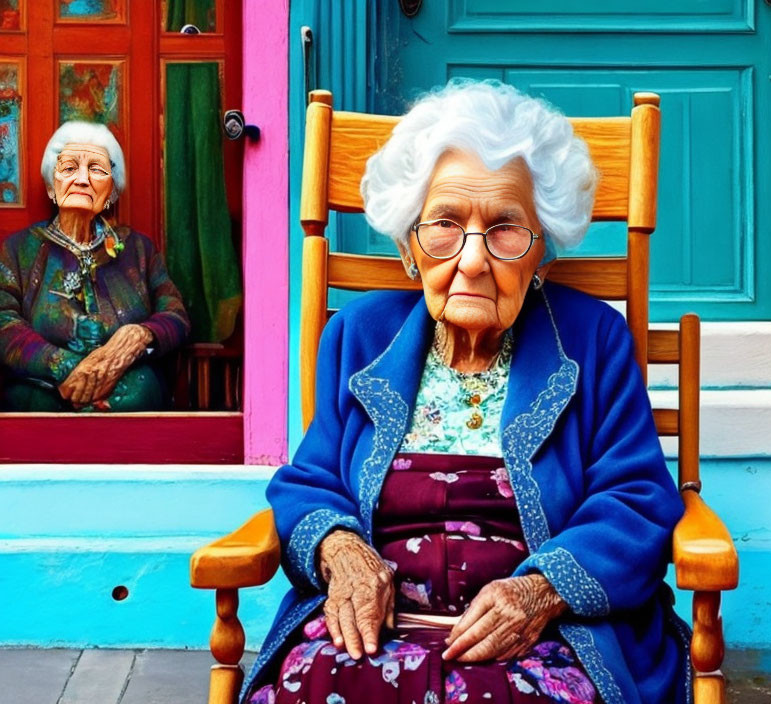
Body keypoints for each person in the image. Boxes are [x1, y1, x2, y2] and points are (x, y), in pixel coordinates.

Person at [246, 81, 690, 704]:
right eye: (446, 226)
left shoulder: (593, 341)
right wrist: (342, 550)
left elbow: (637, 499)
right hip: (374, 638)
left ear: (540, 254)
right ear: (409, 248)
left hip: (544, 640)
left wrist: (539, 591)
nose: (475, 260)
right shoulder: (358, 336)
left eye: (506, 229)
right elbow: (311, 480)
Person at [0, 121, 190, 411]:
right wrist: (68, 367)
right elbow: (4, 322)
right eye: (69, 168)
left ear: (111, 192)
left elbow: (175, 315)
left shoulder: (139, 249)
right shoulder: (18, 250)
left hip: (128, 390)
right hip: (43, 390)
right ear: (52, 187)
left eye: (97, 169)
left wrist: (136, 338)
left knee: (143, 389)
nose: (82, 179)